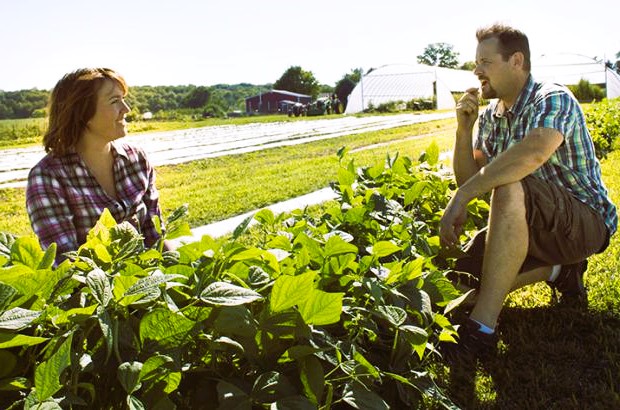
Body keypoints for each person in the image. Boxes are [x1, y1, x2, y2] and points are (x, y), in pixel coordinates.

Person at [439, 24, 617, 358]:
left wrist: (460, 197)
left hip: (583, 222)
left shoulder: (552, 97)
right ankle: (560, 270)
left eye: (485, 62)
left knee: (509, 184)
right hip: (525, 224)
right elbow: (471, 178)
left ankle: (482, 330)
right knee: (459, 285)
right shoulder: (492, 117)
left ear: (516, 61)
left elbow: (532, 153)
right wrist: (464, 130)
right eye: (476, 63)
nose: (476, 70)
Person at [26, 68, 168, 264]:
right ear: (82, 112)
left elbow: (156, 239)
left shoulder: (137, 160)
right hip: (94, 292)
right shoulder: (48, 178)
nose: (126, 109)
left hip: (147, 282)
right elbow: (67, 267)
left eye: (123, 98)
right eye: (114, 101)